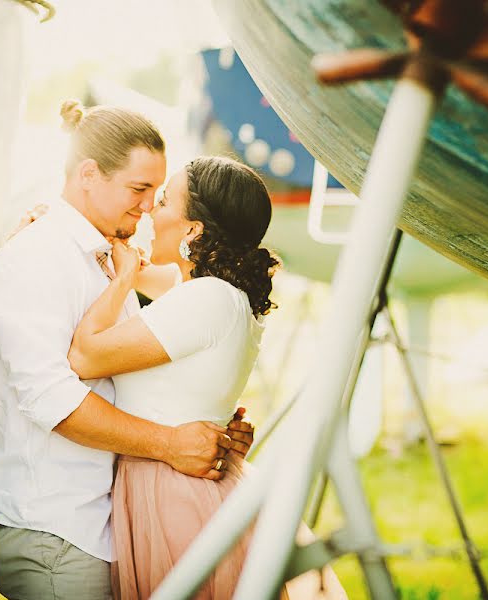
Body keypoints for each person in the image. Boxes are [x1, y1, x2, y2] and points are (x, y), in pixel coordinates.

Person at [0, 101, 254, 600]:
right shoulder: (37, 259)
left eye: (157, 193)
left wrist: (209, 423)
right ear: (89, 174)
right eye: (139, 189)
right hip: (62, 534)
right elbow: (54, 401)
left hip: (113, 526)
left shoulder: (109, 258)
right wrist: (173, 443)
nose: (149, 207)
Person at [68, 155, 345, 599]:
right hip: (186, 483)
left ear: (193, 229)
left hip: (175, 495)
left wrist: (121, 280)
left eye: (162, 203)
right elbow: (152, 275)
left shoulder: (206, 299)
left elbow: (83, 356)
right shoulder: (217, 294)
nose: (148, 212)